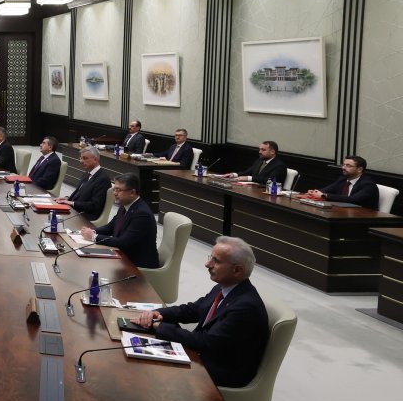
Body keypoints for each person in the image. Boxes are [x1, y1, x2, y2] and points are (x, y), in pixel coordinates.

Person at [132, 236, 269, 387]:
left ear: (237, 270)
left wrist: (160, 326)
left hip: (219, 371)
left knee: (147, 372)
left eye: (216, 261)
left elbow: (205, 342)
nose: (207, 264)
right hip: (205, 354)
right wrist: (157, 313)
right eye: (210, 258)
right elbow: (193, 310)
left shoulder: (245, 308)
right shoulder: (225, 287)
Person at [80, 173, 159, 268]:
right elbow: (110, 227)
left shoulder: (142, 214)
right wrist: (91, 231)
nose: (115, 193)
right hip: (123, 255)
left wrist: (94, 236)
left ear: (132, 193)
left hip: (137, 265)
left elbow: (123, 242)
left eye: (119, 190)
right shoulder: (124, 205)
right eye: (114, 189)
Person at [56, 146, 108, 220]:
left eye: (85, 158)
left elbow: (94, 205)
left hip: (85, 215)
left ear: (95, 159)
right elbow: (80, 194)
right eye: (80, 158)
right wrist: (67, 199)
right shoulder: (86, 173)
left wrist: (72, 203)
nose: (81, 161)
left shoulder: (103, 179)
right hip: (75, 209)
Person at [308, 155, 379, 209]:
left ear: (359, 169)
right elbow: (326, 190)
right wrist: (315, 192)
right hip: (343, 212)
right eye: (343, 165)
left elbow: (353, 199)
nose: (343, 168)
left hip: (363, 218)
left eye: (348, 166)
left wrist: (324, 195)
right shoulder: (343, 179)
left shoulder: (368, 184)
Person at [222, 140, 287, 185]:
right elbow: (247, 172)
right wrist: (234, 175)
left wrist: (249, 178)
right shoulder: (259, 161)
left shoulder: (279, 165)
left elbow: (270, 180)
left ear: (272, 152)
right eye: (259, 149)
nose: (259, 152)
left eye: (263, 150)